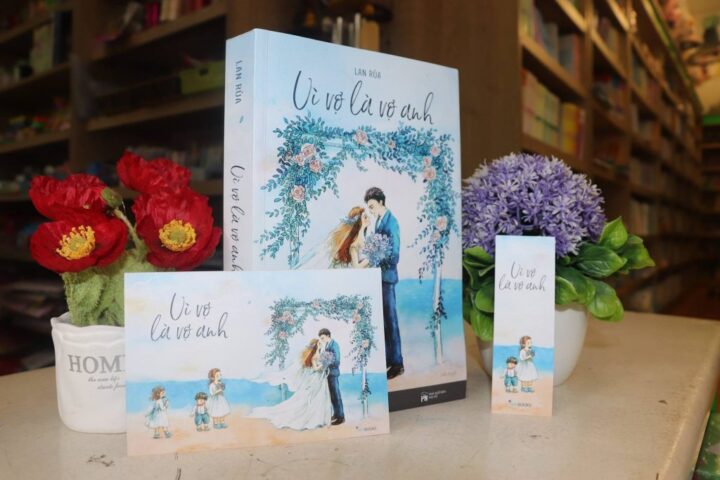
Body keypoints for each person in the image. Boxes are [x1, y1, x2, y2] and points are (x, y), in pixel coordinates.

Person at [248, 338, 333, 430]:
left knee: (320, 396)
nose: (321, 344)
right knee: (314, 396)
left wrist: (325, 364)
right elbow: (315, 368)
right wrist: (323, 365)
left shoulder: (319, 354)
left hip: (320, 378)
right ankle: (314, 419)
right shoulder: (314, 356)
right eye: (319, 343)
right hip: (315, 378)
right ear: (316, 345)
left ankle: (319, 418)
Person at [365, 187, 404, 379]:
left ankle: (397, 363)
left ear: (381, 202)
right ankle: (389, 358)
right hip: (380, 277)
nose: (371, 210)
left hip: (387, 277)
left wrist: (378, 256)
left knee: (391, 320)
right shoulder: (380, 221)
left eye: (372, 206)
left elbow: (395, 254)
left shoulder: (391, 222)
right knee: (384, 321)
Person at [319, 328, 345, 425]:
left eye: (323, 338)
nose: (321, 340)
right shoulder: (327, 345)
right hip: (329, 373)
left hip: (333, 373)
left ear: (328, 336)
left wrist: (327, 362)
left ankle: (341, 417)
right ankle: (336, 414)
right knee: (332, 395)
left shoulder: (334, 345)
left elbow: (337, 360)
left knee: (336, 395)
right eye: (321, 338)